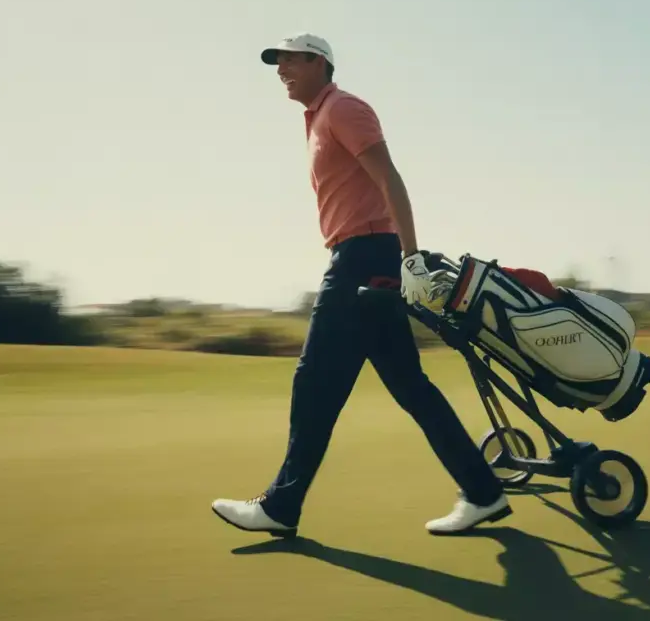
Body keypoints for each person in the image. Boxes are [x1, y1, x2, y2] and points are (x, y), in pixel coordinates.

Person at [210, 33, 511, 537]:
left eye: (288, 59)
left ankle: (281, 507)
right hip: (365, 256)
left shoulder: (343, 109)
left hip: (363, 258)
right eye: (276, 62)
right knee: (410, 387)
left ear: (318, 62)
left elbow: (390, 179)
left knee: (315, 383)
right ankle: (483, 491)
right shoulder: (318, 119)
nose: (280, 68)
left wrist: (411, 257)